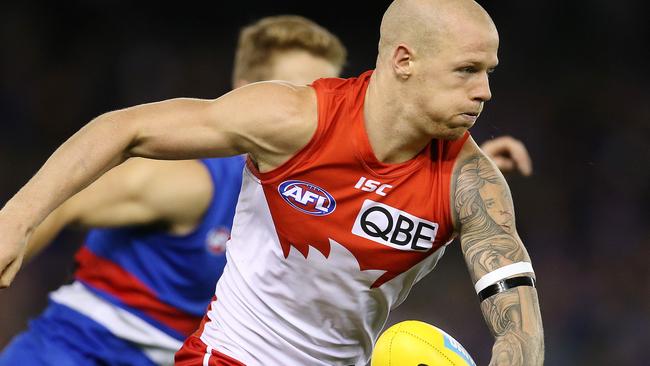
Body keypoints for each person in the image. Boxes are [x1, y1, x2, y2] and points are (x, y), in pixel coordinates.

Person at [0, 1, 544, 365]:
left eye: (489, 72)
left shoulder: (474, 186)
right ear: (404, 60)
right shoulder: (292, 120)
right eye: (467, 70)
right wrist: (16, 219)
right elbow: (126, 128)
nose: (485, 91)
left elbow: (519, 329)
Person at [0, 15, 345, 366]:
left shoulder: (328, 205)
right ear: (245, 93)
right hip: (78, 352)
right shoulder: (190, 181)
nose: (309, 113)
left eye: (324, 98)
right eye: (294, 95)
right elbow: (60, 206)